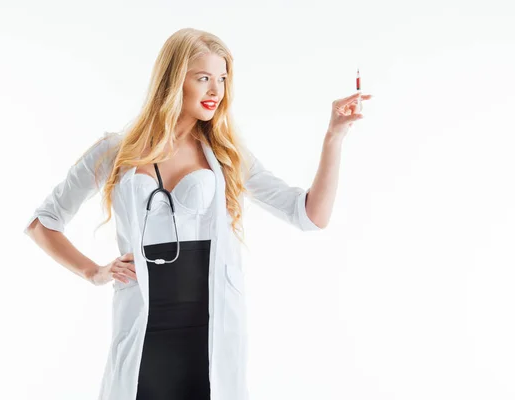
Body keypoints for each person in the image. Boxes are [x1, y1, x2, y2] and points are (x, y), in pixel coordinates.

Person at [23, 27, 371, 400]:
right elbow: (43, 223)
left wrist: (334, 137)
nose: (215, 91)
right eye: (203, 78)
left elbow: (309, 215)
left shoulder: (224, 154)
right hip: (143, 323)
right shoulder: (115, 151)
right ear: (173, 81)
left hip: (208, 327)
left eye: (222, 79)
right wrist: (94, 272)